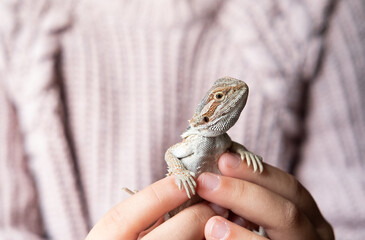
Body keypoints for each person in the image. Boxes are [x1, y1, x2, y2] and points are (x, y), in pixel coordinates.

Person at [0, 0, 364, 239]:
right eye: (220, 98)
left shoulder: (317, 12)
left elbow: (353, 218)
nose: (229, 98)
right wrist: (178, 174)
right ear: (207, 110)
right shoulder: (15, 21)